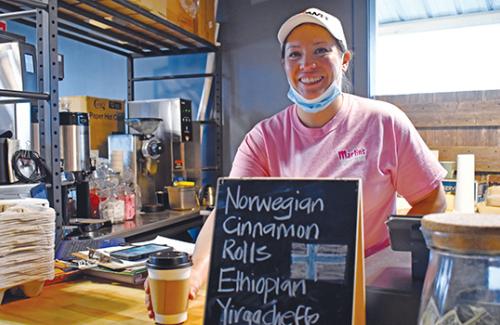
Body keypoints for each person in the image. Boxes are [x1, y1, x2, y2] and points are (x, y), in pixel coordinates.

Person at [145, 7, 447, 316]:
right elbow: (228, 213)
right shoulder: (263, 138)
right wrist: (196, 271)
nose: (307, 64)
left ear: (344, 61)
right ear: (283, 65)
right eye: (294, 54)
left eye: (321, 50)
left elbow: (433, 200)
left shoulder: (385, 122)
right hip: (292, 286)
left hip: (372, 285)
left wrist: (380, 255)